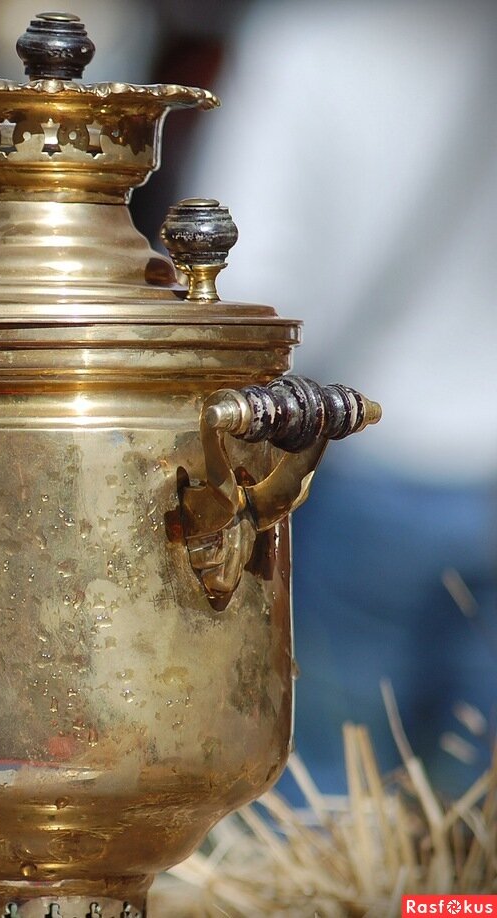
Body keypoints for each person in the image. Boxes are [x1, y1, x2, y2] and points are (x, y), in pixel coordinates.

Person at [180, 0, 497, 796]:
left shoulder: (308, 49)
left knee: (328, 794)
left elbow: (250, 287)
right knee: (478, 815)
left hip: (362, 462)